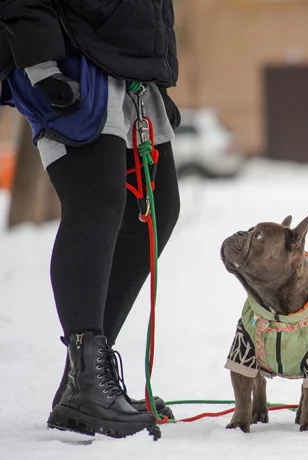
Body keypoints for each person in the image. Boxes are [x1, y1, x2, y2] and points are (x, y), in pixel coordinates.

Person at [0, 0, 181, 439]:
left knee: (156, 210)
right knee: (94, 205)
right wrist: (42, 66)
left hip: (130, 66)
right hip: (75, 63)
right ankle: (87, 383)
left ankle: (81, 381)